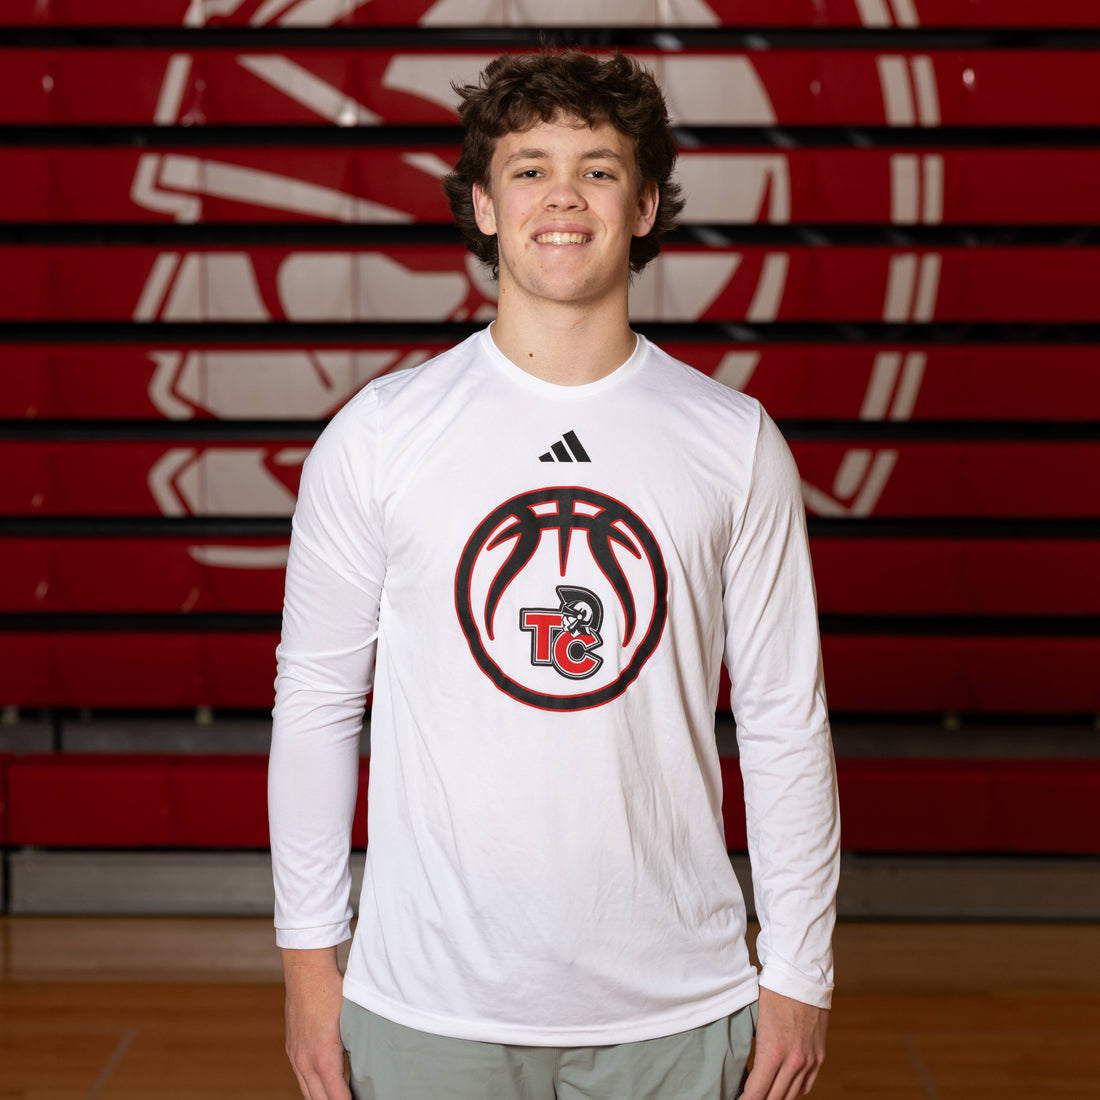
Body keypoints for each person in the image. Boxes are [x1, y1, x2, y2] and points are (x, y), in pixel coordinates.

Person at [269, 49, 839, 1100]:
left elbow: (781, 720)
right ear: (482, 206)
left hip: (680, 1004)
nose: (562, 196)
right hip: (427, 1006)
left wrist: (800, 970)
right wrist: (309, 961)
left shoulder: (732, 440)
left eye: (598, 167)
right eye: (528, 168)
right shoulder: (379, 436)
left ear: (647, 206)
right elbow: (314, 703)